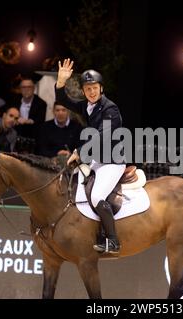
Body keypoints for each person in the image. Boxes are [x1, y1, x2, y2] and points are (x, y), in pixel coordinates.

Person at [56, 58, 125, 254]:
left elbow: (103, 136)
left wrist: (78, 152)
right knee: (73, 186)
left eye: (95, 88)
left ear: (101, 88)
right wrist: (61, 81)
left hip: (112, 162)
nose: (91, 92)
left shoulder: (110, 108)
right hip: (97, 160)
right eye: (88, 89)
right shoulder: (88, 106)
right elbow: (63, 100)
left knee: (96, 196)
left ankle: (112, 240)